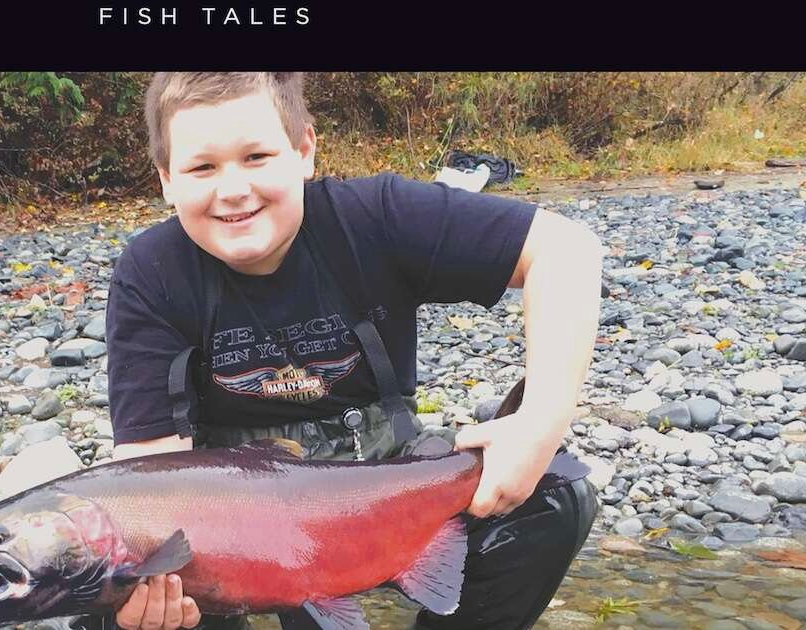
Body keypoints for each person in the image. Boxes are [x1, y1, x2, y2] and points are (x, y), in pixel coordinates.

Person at [88, 72, 603, 630]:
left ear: (305, 150)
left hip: (390, 499)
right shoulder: (152, 274)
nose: (233, 189)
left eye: (257, 156)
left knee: (554, 499)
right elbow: (150, 481)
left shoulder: (376, 216)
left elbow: (565, 249)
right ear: (167, 179)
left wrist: (541, 423)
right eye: (202, 167)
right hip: (236, 537)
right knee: (111, 597)